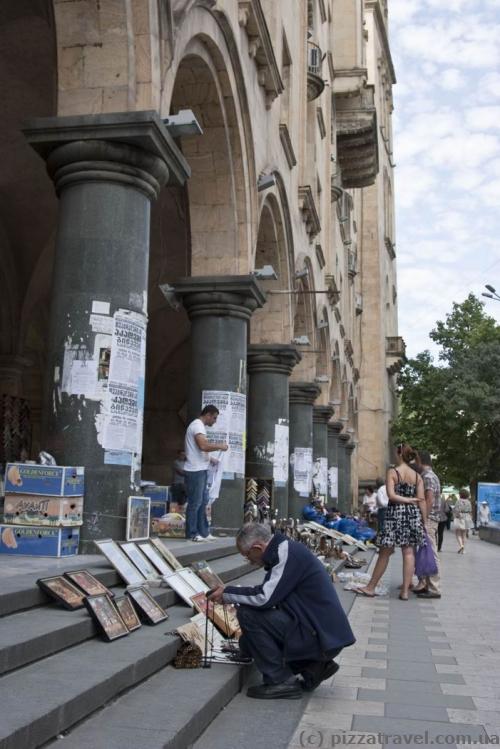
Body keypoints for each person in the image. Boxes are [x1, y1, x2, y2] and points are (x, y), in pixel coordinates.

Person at [208, 523, 355, 699]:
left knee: (248, 615)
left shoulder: (286, 553)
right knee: (248, 642)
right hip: (320, 632)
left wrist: (228, 593)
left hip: (321, 637)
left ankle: (280, 681)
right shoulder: (283, 549)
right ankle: (314, 667)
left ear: (257, 547)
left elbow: (264, 597)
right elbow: (272, 594)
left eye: (247, 555)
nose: (250, 561)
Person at [355, 443, 426, 601]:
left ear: (399, 454)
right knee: (408, 552)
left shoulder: (393, 472)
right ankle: (405, 591)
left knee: (385, 552)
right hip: (413, 515)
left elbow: (391, 495)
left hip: (394, 513)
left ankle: (371, 587)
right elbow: (421, 501)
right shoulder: (417, 476)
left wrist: (406, 499)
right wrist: (424, 521)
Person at [184, 405, 228, 542]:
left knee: (203, 502)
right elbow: (202, 446)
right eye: (214, 418)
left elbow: (198, 451)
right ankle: (192, 533)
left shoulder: (199, 426)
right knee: (195, 503)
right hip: (194, 471)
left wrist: (210, 459)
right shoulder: (197, 426)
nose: (214, 421)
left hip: (200, 469)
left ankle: (203, 532)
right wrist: (220, 446)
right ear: (208, 414)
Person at [413, 451, 441, 599]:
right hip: (429, 518)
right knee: (426, 551)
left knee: (431, 552)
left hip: (429, 518)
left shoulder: (428, 477)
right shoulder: (429, 476)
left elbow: (428, 500)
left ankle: (434, 588)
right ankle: (425, 583)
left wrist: (423, 519)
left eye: (415, 460)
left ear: (419, 460)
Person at [453, 488, 473, 553]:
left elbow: (456, 510)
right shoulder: (468, 502)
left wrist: (456, 516)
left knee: (458, 533)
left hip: (460, 518)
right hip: (467, 518)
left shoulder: (458, 501)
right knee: (464, 535)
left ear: (460, 494)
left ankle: (461, 546)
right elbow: (470, 511)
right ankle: (464, 550)